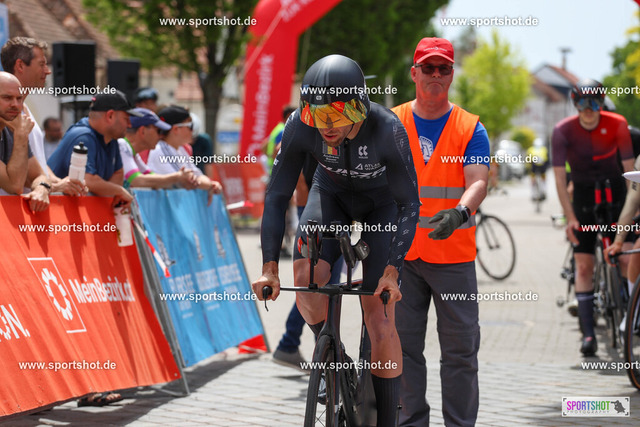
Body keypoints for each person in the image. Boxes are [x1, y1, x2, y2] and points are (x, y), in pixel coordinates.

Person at [252, 54, 419, 426]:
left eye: (336, 114)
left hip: (382, 207)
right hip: (330, 195)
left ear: (358, 107)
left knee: (380, 318)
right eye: (317, 114)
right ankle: (335, 356)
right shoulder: (299, 124)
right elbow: (276, 196)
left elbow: (410, 204)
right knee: (306, 281)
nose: (326, 125)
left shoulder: (388, 129)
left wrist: (392, 272)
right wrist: (268, 268)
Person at [391, 37, 490, 427]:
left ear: (451, 74)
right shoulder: (391, 122)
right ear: (413, 73)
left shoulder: (470, 127)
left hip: (453, 257)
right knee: (402, 351)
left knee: (461, 353)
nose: (435, 74)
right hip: (400, 259)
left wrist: (460, 212)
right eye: (428, 68)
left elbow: (478, 181)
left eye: (443, 68)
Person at [552, 78, 634, 356]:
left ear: (602, 103)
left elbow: (629, 174)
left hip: (615, 196)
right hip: (584, 200)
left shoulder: (617, 124)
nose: (588, 109)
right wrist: (570, 217)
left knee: (625, 258)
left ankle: (630, 315)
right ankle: (588, 334)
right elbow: (560, 180)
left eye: (595, 103)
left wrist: (632, 213)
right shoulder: (562, 131)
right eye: (582, 103)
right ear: (574, 103)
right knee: (584, 265)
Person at [1, 37, 84, 196]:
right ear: (20, 65)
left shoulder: (24, 110)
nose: (48, 71)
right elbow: (20, 180)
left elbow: (36, 166)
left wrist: (58, 182)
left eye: (18, 98)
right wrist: (56, 186)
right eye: (41, 64)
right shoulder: (9, 116)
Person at [48, 91, 139, 209]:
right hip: (54, 211)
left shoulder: (111, 138)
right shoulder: (83, 136)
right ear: (110, 116)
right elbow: (88, 180)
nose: (130, 124)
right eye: (126, 119)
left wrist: (109, 191)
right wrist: (118, 191)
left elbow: (118, 174)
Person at [146, 105, 222, 204]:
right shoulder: (160, 150)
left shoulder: (180, 149)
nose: (193, 131)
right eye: (190, 126)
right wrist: (209, 185)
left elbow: (198, 175)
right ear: (176, 129)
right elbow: (186, 181)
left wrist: (210, 184)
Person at [0, 71, 49, 211]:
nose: (15, 105)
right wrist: (21, 135)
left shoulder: (12, 128)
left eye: (19, 98)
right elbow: (15, 186)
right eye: (7, 98)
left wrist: (41, 188)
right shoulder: (18, 131)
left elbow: (39, 175)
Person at [118, 108, 198, 189]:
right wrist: (177, 177)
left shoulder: (132, 152)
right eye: (158, 131)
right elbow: (137, 180)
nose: (161, 136)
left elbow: (151, 176)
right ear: (142, 131)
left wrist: (180, 180)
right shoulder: (122, 145)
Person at [527, 137, 549, 202]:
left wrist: (528, 166)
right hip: (542, 165)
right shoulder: (544, 149)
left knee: (532, 178)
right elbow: (547, 159)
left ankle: (533, 193)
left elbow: (528, 160)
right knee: (543, 177)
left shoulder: (530, 149)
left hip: (534, 165)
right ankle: (544, 190)